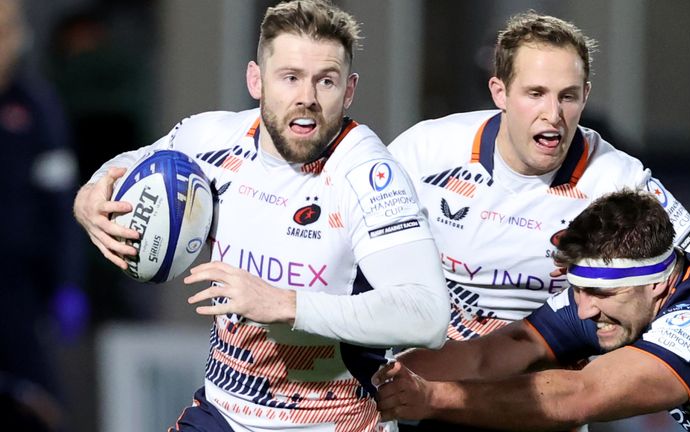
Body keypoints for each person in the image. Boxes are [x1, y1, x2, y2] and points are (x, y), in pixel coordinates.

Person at [72, 1, 449, 431]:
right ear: (257, 80)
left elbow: (428, 315)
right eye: (290, 78)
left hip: (334, 421)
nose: (307, 98)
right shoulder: (211, 137)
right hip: (225, 414)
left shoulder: (370, 178)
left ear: (349, 91)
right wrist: (89, 198)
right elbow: (133, 161)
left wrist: (284, 304)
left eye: (325, 81)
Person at [386, 11, 690, 430]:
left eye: (568, 96)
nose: (553, 114)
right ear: (499, 92)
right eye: (535, 93)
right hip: (435, 384)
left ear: (586, 95)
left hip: (544, 405)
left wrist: (655, 353)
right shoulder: (425, 150)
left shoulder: (619, 179)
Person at [374, 190, 690, 431]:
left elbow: (580, 395)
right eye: (577, 290)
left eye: (598, 293)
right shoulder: (611, 298)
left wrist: (433, 399)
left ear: (658, 283)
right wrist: (370, 386)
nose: (582, 312)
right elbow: (487, 356)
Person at [0, 0, 83, 426]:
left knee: (41, 407)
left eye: (9, 30)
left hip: (19, 293)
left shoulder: (36, 107)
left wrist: (68, 282)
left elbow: (62, 200)